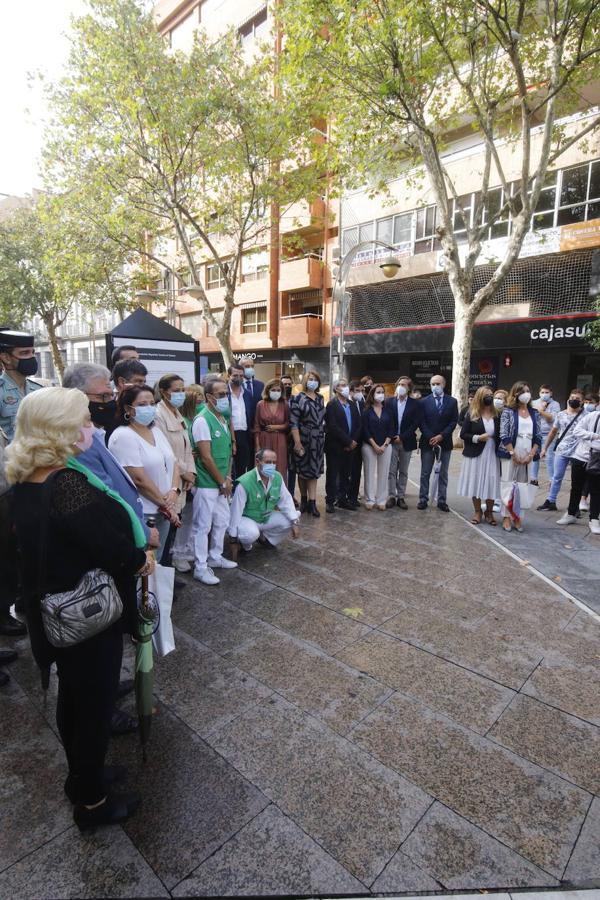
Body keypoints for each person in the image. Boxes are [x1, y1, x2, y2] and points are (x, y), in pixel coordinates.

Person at [7, 387, 154, 829]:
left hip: (54, 613)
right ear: (60, 430)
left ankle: (82, 777)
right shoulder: (66, 484)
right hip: (84, 617)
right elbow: (110, 546)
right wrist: (140, 559)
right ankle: (91, 802)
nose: (90, 427)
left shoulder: (27, 478)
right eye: (83, 420)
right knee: (90, 709)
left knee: (74, 700)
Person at [109, 385, 180, 557]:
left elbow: (173, 462)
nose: (149, 408)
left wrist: (173, 490)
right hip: (146, 511)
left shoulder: (155, 430)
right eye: (142, 404)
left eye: (152, 403)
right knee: (146, 563)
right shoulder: (123, 436)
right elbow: (138, 479)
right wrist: (166, 505)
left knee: (159, 561)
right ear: (128, 408)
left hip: (165, 508)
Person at [191, 377, 237, 584]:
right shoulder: (202, 420)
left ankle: (215, 556)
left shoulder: (222, 418)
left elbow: (227, 452)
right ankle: (200, 567)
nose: (225, 397)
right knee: (203, 526)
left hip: (221, 481)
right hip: (207, 483)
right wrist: (221, 482)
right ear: (209, 397)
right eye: (220, 394)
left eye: (226, 394)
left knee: (222, 521)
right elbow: (206, 456)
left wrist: (227, 477)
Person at [154, 374, 196, 568]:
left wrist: (191, 474)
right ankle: (161, 575)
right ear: (163, 392)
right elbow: (166, 451)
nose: (181, 394)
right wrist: (185, 471)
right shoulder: (158, 415)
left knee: (173, 528)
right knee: (166, 527)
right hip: (169, 479)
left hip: (182, 477)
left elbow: (187, 448)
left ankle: (167, 572)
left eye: (182, 390)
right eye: (176, 391)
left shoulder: (178, 414)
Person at [228, 449, 301, 551]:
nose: (271, 465)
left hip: (266, 517)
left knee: (293, 517)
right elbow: (235, 511)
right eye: (267, 462)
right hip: (247, 518)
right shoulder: (245, 482)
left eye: (274, 462)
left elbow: (286, 500)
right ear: (257, 462)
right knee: (251, 534)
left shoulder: (277, 477)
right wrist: (233, 537)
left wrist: (294, 523)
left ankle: (266, 539)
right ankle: (246, 545)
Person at [498, 381, 542, 533]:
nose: (526, 394)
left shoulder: (535, 412)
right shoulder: (508, 411)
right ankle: (506, 516)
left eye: (528, 390)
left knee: (523, 485)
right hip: (511, 450)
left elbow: (538, 436)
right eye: (522, 391)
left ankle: (517, 516)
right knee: (508, 483)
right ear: (515, 394)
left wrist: (531, 454)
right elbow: (503, 434)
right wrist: (512, 453)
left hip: (528, 450)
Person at [457, 386, 500, 525]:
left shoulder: (497, 414)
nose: (490, 397)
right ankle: (477, 511)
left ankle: (489, 512)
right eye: (487, 395)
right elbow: (464, 434)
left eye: (491, 395)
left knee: (491, 481)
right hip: (476, 453)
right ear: (480, 397)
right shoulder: (472, 413)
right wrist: (477, 438)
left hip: (492, 453)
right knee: (476, 482)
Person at [537, 389, 585, 512]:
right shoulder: (561, 414)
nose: (574, 400)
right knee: (556, 477)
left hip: (578, 452)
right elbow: (553, 432)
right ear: (569, 398)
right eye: (572, 397)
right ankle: (551, 501)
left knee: (577, 481)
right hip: (562, 450)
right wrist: (545, 448)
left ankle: (574, 506)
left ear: (582, 402)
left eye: (578, 399)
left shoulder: (586, 416)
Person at [418, 374, 459, 512]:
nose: (435, 386)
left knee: (443, 473)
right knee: (425, 472)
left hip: (445, 442)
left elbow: (454, 421)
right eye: (433, 384)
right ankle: (423, 498)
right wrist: (431, 436)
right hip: (427, 442)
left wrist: (441, 436)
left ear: (444, 384)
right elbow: (421, 421)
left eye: (438, 383)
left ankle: (442, 500)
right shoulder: (423, 402)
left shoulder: (452, 402)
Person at [556, 403, 600, 533]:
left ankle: (594, 519)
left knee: (596, 490)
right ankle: (571, 514)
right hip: (581, 456)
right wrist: (594, 436)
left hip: (598, 459)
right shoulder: (593, 416)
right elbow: (577, 430)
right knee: (576, 487)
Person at [289, 370, 326, 517]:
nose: (313, 381)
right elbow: (294, 423)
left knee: (314, 473)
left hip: (318, 440)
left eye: (315, 379)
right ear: (305, 381)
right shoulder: (298, 398)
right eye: (310, 379)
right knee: (303, 471)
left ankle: (312, 502)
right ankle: (304, 500)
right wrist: (297, 442)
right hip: (303, 438)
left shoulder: (321, 398)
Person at [324, 378, 361, 513]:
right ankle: (330, 501)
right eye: (342, 385)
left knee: (346, 474)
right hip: (335, 446)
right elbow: (332, 426)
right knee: (333, 474)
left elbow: (358, 425)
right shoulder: (331, 404)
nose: (345, 387)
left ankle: (342, 499)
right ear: (336, 389)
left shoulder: (352, 404)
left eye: (346, 385)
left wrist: (353, 441)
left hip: (351, 446)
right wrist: (348, 441)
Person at [0, 330, 43, 442]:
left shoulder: (39, 390)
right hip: (11, 457)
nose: (32, 357)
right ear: (6, 358)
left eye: (32, 352)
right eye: (24, 353)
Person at [385, 375, 421, 509]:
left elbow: (415, 423)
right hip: (392, 441)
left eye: (404, 385)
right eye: (399, 384)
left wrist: (403, 436)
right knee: (391, 470)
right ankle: (391, 496)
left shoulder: (415, 404)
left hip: (407, 441)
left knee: (404, 471)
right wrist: (393, 436)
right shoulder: (389, 402)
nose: (401, 387)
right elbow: (387, 420)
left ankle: (401, 496)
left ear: (409, 388)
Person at [361, 384, 394, 510]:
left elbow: (391, 429)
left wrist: (385, 444)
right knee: (369, 472)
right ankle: (369, 499)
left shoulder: (388, 411)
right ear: (372, 394)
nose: (380, 394)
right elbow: (365, 430)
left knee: (384, 473)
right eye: (378, 392)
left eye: (382, 392)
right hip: (369, 446)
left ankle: (381, 500)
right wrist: (374, 445)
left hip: (386, 446)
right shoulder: (366, 411)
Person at [254, 378, 290, 481]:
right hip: (264, 439)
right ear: (268, 390)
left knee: (280, 467)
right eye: (273, 390)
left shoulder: (285, 404)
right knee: (264, 466)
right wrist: (257, 446)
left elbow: (288, 424)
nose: (276, 392)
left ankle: (279, 493)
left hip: (280, 440)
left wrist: (277, 427)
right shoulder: (260, 404)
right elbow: (256, 426)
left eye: (278, 390)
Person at [226, 363, 254, 478]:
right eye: (235, 375)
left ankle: (238, 492)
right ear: (228, 376)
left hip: (244, 435)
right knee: (228, 467)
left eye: (241, 376)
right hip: (227, 434)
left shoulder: (247, 394)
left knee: (242, 467)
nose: (238, 378)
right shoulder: (223, 393)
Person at [530, 384, 561, 486]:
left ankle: (552, 480)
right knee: (535, 457)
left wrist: (541, 411)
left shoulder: (555, 404)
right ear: (539, 393)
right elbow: (531, 417)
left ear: (551, 393)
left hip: (549, 434)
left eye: (547, 392)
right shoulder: (534, 403)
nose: (544, 394)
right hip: (536, 434)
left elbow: (551, 418)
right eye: (542, 392)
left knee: (549, 457)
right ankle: (533, 479)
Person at [348, 380, 365, 507]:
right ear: (351, 391)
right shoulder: (346, 403)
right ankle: (341, 496)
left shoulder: (362, 403)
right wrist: (349, 441)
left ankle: (353, 497)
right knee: (344, 472)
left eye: (362, 391)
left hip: (359, 443)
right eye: (357, 391)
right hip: (346, 442)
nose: (360, 393)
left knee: (356, 472)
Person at [239, 356, 264, 426]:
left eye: (252, 366)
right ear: (240, 368)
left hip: (257, 423)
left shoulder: (260, 385)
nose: (250, 368)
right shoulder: (237, 385)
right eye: (247, 366)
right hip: (242, 424)